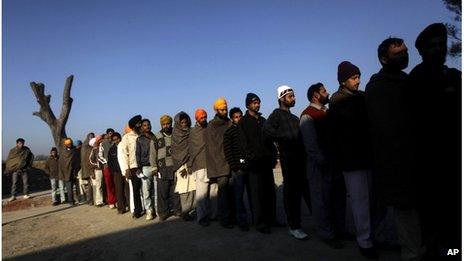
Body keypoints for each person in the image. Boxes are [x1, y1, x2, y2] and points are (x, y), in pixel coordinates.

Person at [365, 37, 424, 261]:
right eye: (398, 53)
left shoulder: (407, 80)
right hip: (396, 161)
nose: (404, 56)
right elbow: (386, 128)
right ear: (383, 59)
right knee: (403, 208)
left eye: (405, 51)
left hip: (413, 158)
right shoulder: (378, 87)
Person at [409, 23, 461, 259]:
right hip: (429, 162)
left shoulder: (454, 76)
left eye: (442, 44)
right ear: (422, 51)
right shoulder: (416, 80)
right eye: (432, 46)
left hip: (455, 159)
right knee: (433, 217)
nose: (439, 49)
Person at [328, 61, 376, 259]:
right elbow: (335, 135)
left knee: (373, 200)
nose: (357, 81)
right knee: (359, 201)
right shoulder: (337, 101)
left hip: (368, 157)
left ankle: (372, 236)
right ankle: (364, 241)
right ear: (342, 81)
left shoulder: (363, 97)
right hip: (350, 160)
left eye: (358, 77)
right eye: (353, 78)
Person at [263, 86, 309, 240]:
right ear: (282, 98)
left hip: (301, 159)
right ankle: (294, 226)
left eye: (294, 95)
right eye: (290, 96)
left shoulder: (295, 118)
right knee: (292, 194)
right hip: (288, 159)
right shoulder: (276, 115)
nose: (294, 98)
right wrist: (283, 139)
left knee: (307, 190)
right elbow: (266, 130)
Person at [300, 83, 343, 249]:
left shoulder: (327, 112)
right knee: (321, 202)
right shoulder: (307, 116)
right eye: (324, 91)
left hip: (334, 163)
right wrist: (323, 162)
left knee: (336, 200)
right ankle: (326, 234)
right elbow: (311, 146)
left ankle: (339, 230)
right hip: (319, 166)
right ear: (315, 95)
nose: (327, 93)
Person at [238, 93, 279, 234]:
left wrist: (273, 157)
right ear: (248, 105)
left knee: (269, 193)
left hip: (266, 162)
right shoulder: (243, 122)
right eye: (254, 102)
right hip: (254, 165)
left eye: (258, 102)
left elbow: (270, 140)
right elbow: (243, 145)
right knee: (256, 195)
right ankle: (260, 222)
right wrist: (250, 159)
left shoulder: (263, 120)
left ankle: (272, 219)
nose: (257, 105)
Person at [205, 98, 235, 229]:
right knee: (223, 195)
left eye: (225, 109)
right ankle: (224, 220)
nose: (224, 111)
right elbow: (211, 148)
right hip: (220, 165)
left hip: (232, 163)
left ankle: (234, 218)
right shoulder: (211, 125)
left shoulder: (229, 122)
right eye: (222, 110)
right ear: (216, 110)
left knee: (233, 192)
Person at [188, 108, 217, 226]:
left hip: (213, 164)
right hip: (200, 166)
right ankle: (202, 217)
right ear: (197, 119)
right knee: (202, 194)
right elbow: (192, 150)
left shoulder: (210, 128)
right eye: (201, 118)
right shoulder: (193, 132)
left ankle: (214, 215)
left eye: (205, 117)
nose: (204, 119)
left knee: (214, 192)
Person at [223, 107, 250, 231]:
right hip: (238, 170)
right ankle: (242, 221)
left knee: (253, 195)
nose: (239, 119)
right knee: (238, 197)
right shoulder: (229, 133)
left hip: (250, 167)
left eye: (240, 116)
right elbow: (228, 153)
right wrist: (235, 168)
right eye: (236, 117)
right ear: (232, 119)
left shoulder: (246, 130)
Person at [150, 115, 181, 221]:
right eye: (164, 124)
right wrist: (154, 168)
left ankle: (177, 210)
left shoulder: (176, 134)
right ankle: (163, 213)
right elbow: (152, 154)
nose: (166, 126)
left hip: (175, 166)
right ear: (161, 125)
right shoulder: (156, 136)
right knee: (162, 192)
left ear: (171, 123)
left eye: (168, 123)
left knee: (176, 191)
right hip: (162, 168)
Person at [118, 115, 144, 219]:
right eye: (138, 123)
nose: (140, 125)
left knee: (146, 189)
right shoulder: (127, 137)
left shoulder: (143, 135)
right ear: (134, 126)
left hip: (145, 166)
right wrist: (126, 169)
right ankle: (137, 210)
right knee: (136, 190)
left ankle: (149, 209)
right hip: (134, 167)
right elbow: (124, 154)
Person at [172, 112, 196, 221]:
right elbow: (176, 153)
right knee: (184, 190)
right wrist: (182, 167)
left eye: (186, 122)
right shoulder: (176, 135)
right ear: (177, 123)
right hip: (181, 167)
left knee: (194, 189)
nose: (184, 124)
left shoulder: (192, 132)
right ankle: (185, 211)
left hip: (193, 164)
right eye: (182, 122)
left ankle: (194, 210)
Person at [136, 119, 156, 220]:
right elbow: (137, 154)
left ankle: (157, 209)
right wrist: (139, 169)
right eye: (145, 125)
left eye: (148, 125)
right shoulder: (139, 139)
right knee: (146, 191)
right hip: (145, 167)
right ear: (142, 127)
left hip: (156, 166)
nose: (147, 127)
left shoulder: (155, 137)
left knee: (156, 190)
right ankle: (149, 211)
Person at [108, 132, 130, 214]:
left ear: (120, 138)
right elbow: (110, 163)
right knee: (119, 191)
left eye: (117, 139)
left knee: (128, 189)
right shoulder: (111, 150)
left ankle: (131, 206)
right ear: (112, 141)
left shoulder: (125, 146)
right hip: (117, 173)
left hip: (126, 171)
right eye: (114, 140)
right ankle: (121, 208)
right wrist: (113, 172)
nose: (116, 141)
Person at [59, 138, 79, 205]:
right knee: (69, 188)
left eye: (70, 143)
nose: (69, 145)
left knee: (78, 187)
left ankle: (80, 199)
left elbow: (78, 160)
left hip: (75, 171)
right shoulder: (63, 153)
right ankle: (71, 201)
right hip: (67, 172)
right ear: (66, 145)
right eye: (68, 144)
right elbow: (61, 163)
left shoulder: (75, 150)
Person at [101, 128, 117, 209]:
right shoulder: (103, 144)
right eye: (110, 133)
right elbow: (99, 156)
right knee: (109, 185)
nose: (111, 134)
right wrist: (107, 161)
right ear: (107, 134)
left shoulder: (115, 142)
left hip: (115, 167)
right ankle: (111, 201)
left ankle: (117, 200)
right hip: (107, 167)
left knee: (116, 184)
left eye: (112, 133)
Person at [80, 133, 95, 205]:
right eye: (91, 137)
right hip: (89, 168)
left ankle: (92, 200)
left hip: (89, 167)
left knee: (92, 185)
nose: (92, 138)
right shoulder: (86, 146)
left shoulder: (85, 145)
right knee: (91, 185)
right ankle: (90, 200)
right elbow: (86, 158)